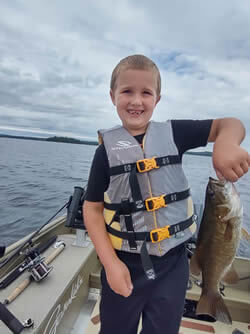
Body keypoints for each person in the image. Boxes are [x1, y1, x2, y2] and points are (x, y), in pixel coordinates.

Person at [83, 55, 249, 334]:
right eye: (127, 91)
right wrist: (110, 265)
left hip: (173, 267)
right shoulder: (105, 153)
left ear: (157, 99)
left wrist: (226, 143)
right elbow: (92, 209)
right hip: (124, 264)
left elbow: (230, 124)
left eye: (146, 92)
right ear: (112, 96)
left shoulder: (175, 133)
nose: (136, 101)